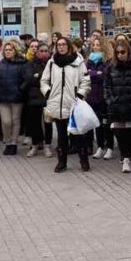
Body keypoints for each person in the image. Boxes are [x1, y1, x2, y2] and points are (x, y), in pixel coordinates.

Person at [41, 36, 91, 172]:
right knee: (61, 136)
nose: (61, 47)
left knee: (78, 134)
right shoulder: (52, 62)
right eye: (59, 45)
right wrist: (47, 93)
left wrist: (80, 94)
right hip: (57, 103)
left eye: (63, 44)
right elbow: (44, 80)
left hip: (73, 103)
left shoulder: (78, 61)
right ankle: (62, 162)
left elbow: (86, 81)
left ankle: (84, 160)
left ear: (68, 46)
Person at [104, 40, 131, 173]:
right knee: (119, 134)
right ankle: (126, 160)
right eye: (117, 52)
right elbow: (106, 86)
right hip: (116, 106)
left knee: (130, 134)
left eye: (123, 52)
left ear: (128, 51)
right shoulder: (110, 67)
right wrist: (110, 101)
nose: (120, 55)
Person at [0, 38, 26, 156]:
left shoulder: (22, 63)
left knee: (15, 120)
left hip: (17, 97)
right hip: (2, 97)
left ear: (15, 50)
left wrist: (20, 89)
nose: (7, 51)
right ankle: (7, 141)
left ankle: (14, 143)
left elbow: (26, 79)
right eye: (6, 50)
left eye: (10, 50)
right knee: (6, 121)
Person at [21, 43, 52, 158]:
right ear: (37, 52)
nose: (44, 53)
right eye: (41, 51)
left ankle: (47, 145)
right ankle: (35, 145)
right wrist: (41, 77)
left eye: (46, 51)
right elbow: (29, 79)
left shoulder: (52, 63)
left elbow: (52, 79)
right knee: (34, 123)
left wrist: (37, 75)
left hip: (48, 96)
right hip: (34, 97)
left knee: (48, 122)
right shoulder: (30, 64)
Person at [86, 38, 113, 160]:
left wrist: (95, 73)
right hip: (92, 96)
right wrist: (96, 73)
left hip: (104, 96)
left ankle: (110, 148)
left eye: (98, 45)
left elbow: (105, 76)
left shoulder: (108, 61)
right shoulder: (90, 60)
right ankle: (100, 146)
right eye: (94, 45)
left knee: (107, 124)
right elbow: (86, 75)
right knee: (97, 123)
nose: (96, 47)